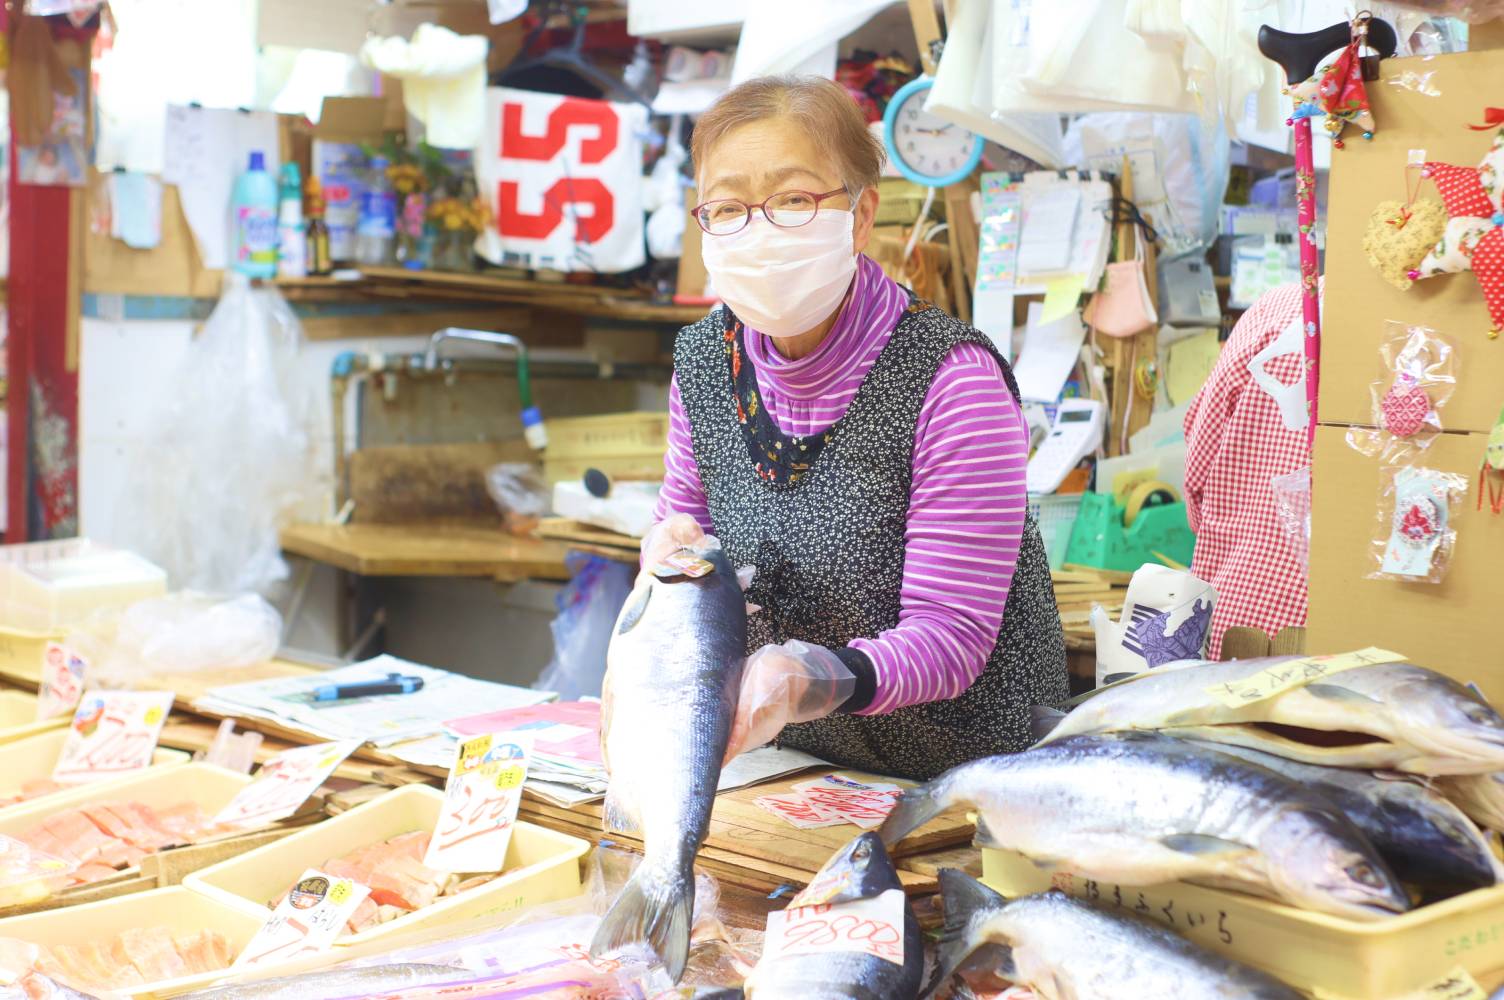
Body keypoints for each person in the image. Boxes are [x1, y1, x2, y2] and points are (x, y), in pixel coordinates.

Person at [643, 75, 1069, 781]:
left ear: (861, 214)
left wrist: (810, 679)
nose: (759, 229)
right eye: (727, 208)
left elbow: (951, 638)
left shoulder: (951, 379)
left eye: (792, 199)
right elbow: (681, 544)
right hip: (802, 773)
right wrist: (666, 559)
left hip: (969, 784)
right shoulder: (703, 364)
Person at [1183, 281, 1315, 658]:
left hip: (1247, 622)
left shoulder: (1281, 306)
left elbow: (1197, 469)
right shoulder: (1466, 324)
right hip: (1381, 650)